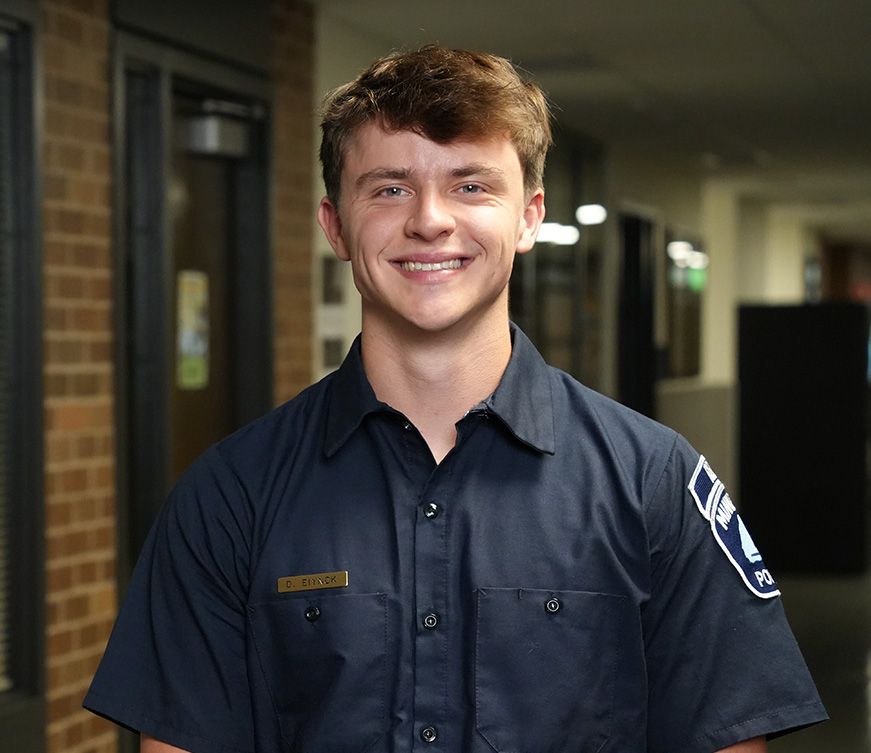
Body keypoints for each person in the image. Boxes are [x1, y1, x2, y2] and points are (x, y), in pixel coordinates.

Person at [85, 45, 826, 753]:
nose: (429, 218)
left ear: (529, 216)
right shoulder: (229, 495)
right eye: (389, 188)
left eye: (470, 184)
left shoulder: (653, 483)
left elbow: (727, 735)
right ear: (335, 224)